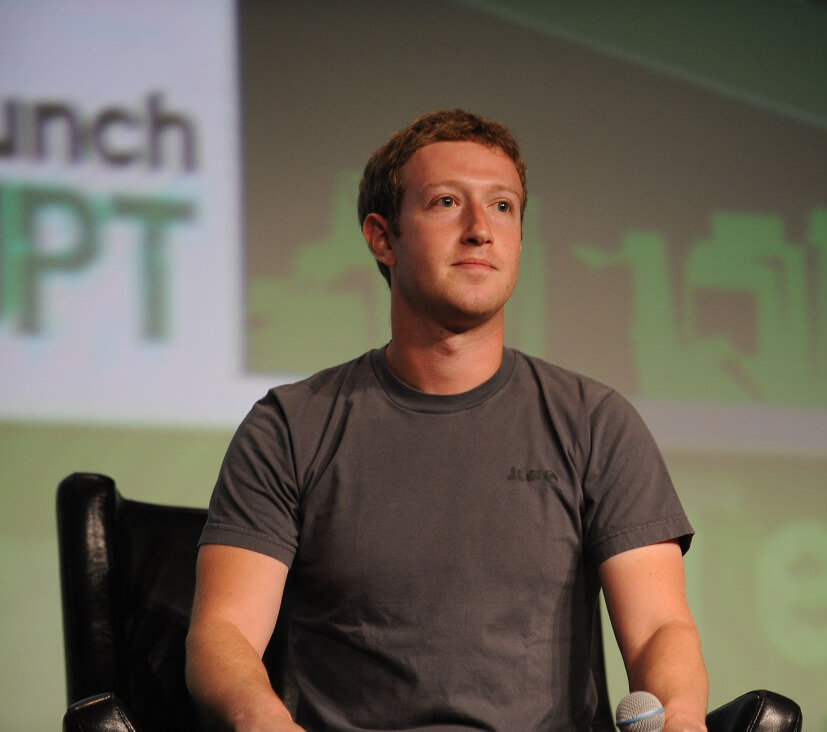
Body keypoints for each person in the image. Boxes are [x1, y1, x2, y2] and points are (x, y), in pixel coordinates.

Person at [185, 109, 708, 732]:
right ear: (383, 238)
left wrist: (681, 716)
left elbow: (659, 629)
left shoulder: (596, 423)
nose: (480, 230)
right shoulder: (290, 427)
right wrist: (261, 719)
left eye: (503, 207)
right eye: (446, 203)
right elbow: (224, 631)